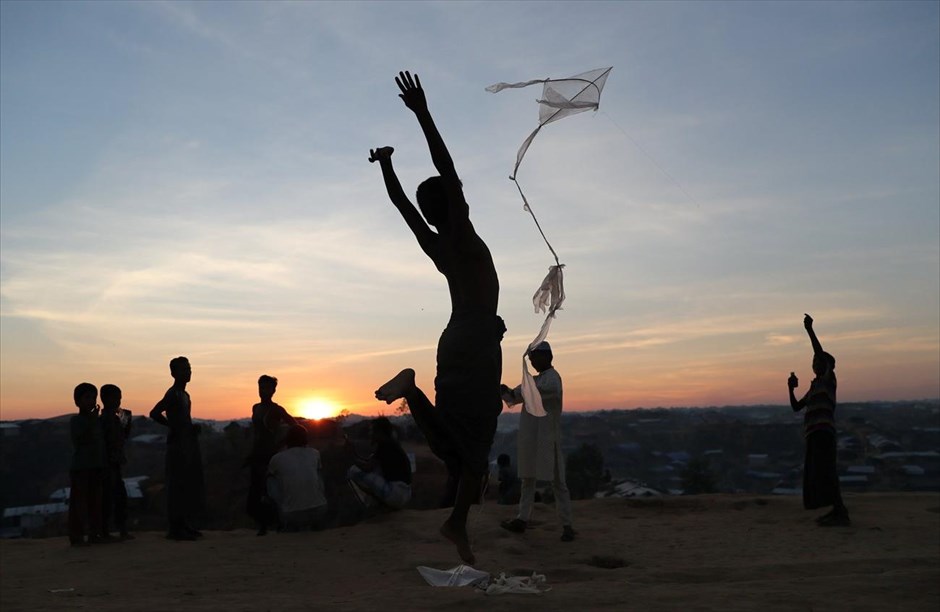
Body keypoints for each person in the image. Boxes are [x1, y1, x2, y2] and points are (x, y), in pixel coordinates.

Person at [371, 71, 505, 565]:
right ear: (453, 203)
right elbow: (444, 166)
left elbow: (404, 206)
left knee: (456, 444)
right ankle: (456, 524)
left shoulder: (436, 242)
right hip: (472, 341)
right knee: (476, 448)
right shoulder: (462, 231)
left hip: (455, 340)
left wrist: (386, 165)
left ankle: (410, 392)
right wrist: (422, 112)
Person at [499, 341, 576, 541]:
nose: (532, 362)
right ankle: (522, 519)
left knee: (559, 482)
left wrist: (522, 391)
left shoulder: (553, 379)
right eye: (531, 359)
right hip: (531, 437)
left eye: (535, 358)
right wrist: (504, 391)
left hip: (548, 438)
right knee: (528, 479)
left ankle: (567, 526)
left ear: (546, 357)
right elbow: (513, 398)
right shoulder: (532, 381)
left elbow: (543, 393)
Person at [788, 314, 850, 527]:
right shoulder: (814, 387)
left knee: (827, 472)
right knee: (819, 473)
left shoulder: (828, 381)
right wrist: (790, 388)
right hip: (814, 433)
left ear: (828, 366)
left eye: (819, 361)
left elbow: (819, 353)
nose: (815, 363)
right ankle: (835, 510)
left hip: (824, 433)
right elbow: (796, 407)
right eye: (814, 361)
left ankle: (840, 512)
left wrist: (809, 330)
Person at [150, 356, 207, 540]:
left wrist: (190, 429)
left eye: (189, 368)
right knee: (177, 485)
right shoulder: (173, 393)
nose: (187, 372)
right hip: (177, 445)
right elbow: (155, 412)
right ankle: (175, 528)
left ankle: (184, 524)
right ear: (173, 373)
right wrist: (172, 426)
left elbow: (184, 420)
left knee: (186, 485)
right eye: (183, 369)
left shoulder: (184, 395)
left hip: (187, 443)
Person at [246, 375, 296, 535]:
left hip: (272, 456)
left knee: (271, 491)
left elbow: (295, 426)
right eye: (261, 387)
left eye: (268, 388)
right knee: (256, 491)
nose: (264, 391)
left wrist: (281, 444)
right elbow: (256, 433)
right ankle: (264, 524)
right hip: (257, 454)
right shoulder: (256, 407)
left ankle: (278, 523)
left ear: (274, 390)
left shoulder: (277, 409)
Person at [266, 424, 328, 531]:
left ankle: (283, 520)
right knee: (318, 473)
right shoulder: (315, 453)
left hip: (292, 514)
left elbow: (269, 477)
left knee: (270, 478)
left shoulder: (277, 458)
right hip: (320, 510)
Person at [345, 417, 412, 510]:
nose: (370, 434)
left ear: (379, 432)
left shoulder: (385, 446)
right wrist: (353, 452)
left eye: (372, 431)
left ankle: (371, 504)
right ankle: (380, 502)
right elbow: (368, 463)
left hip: (396, 494)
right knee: (374, 470)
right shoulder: (391, 445)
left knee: (353, 471)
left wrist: (350, 456)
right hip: (405, 494)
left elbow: (366, 467)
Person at [68, 382, 106, 546]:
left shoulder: (97, 421)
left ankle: (93, 533)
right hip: (81, 467)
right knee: (79, 503)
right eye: (87, 398)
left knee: (95, 501)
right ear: (77, 401)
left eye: (93, 398)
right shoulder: (76, 421)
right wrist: (92, 420)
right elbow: (82, 438)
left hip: (96, 465)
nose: (91, 401)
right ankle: (76, 536)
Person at [100, 384, 133, 540]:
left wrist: (126, 418)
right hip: (106, 463)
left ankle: (121, 529)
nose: (119, 401)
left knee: (119, 496)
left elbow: (125, 434)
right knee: (108, 498)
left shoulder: (117, 417)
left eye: (120, 397)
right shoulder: (103, 420)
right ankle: (105, 530)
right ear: (105, 399)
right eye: (116, 397)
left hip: (115, 462)